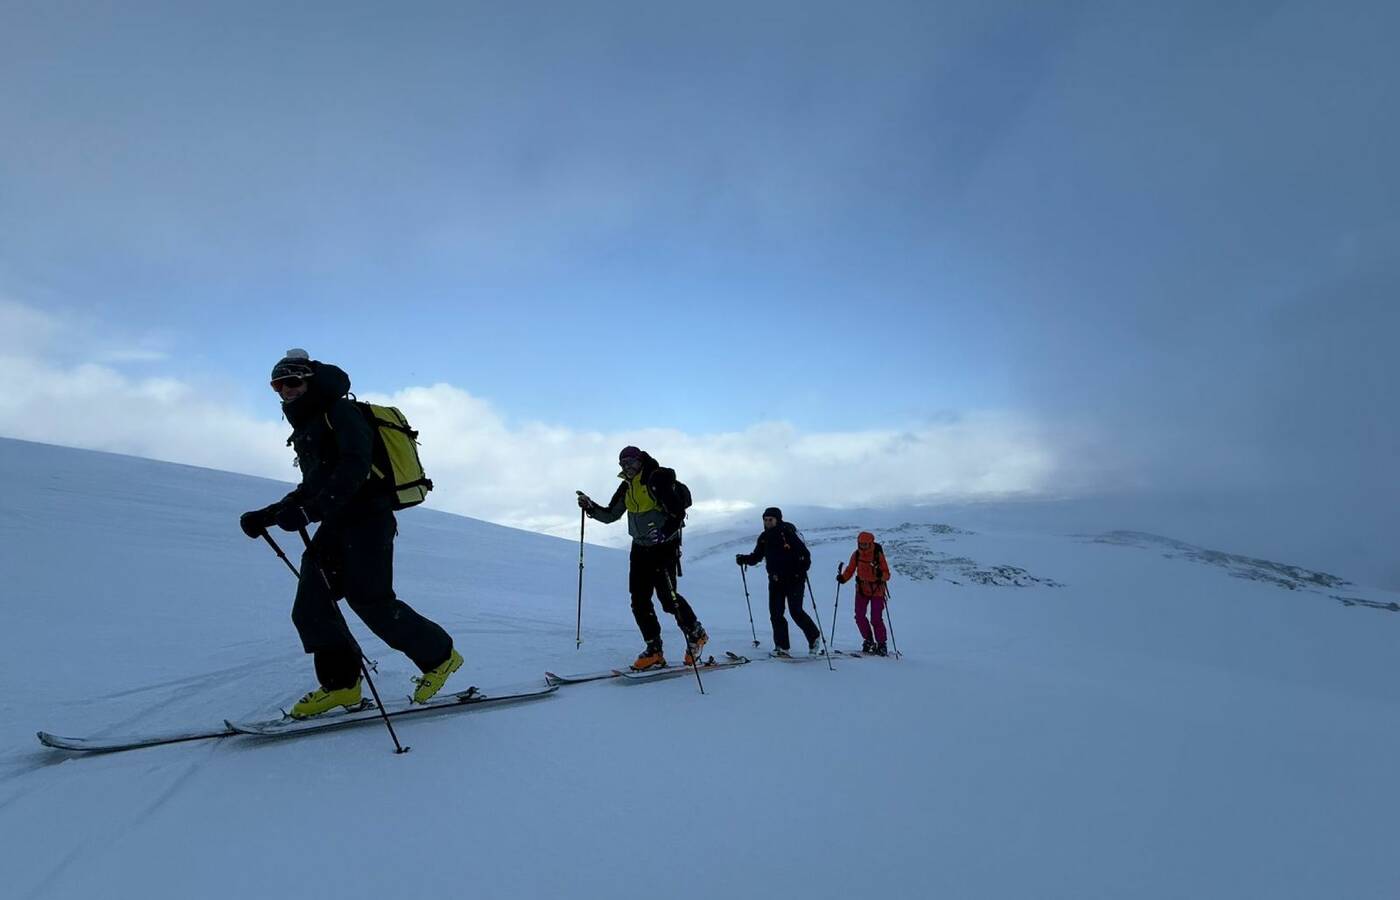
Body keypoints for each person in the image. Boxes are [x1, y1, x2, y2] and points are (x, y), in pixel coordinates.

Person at [239, 349, 462, 718]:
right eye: (277, 385)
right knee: (312, 606)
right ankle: (341, 686)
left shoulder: (339, 412)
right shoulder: (309, 425)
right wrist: (269, 515)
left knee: (371, 600)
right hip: (337, 523)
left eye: (292, 382)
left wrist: (310, 511)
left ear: (310, 381)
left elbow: (355, 468)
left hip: (369, 520)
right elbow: (313, 484)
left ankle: (440, 657)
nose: (285, 391)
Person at [576, 446, 706, 670]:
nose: (627, 467)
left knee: (668, 599)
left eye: (631, 462)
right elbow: (611, 515)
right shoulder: (627, 486)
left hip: (663, 548)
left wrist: (665, 533)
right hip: (640, 549)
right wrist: (591, 507)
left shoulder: (656, 479)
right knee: (639, 600)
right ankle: (654, 650)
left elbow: (677, 513)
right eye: (623, 463)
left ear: (640, 461)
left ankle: (696, 634)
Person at [735, 507, 823, 657]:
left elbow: (805, 554)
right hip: (775, 580)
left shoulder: (787, 533)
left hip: (794, 579)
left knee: (796, 611)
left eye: (771, 519)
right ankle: (782, 647)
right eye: (765, 519)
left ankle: (814, 637)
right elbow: (756, 557)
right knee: (776, 614)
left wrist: (800, 569)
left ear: (778, 519)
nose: (768, 522)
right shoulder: (764, 537)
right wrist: (744, 559)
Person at [837, 531, 892, 656]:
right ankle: (868, 640)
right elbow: (850, 569)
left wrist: (881, 575)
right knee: (859, 616)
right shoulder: (856, 555)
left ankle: (881, 644)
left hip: (877, 590)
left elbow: (887, 574)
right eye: (860, 544)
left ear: (871, 543)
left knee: (876, 619)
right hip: (862, 589)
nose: (862, 547)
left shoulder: (878, 555)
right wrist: (843, 578)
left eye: (865, 544)